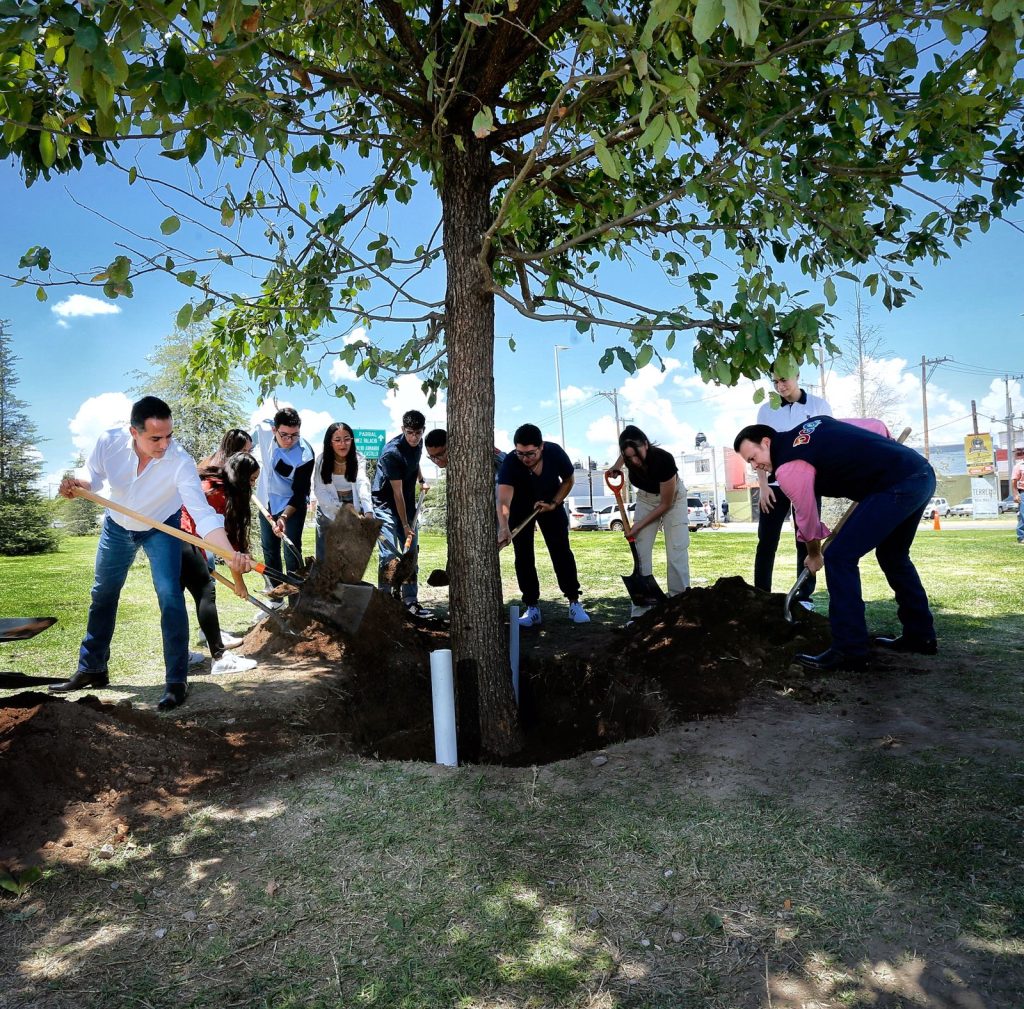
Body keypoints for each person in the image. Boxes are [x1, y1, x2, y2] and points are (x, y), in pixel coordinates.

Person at [51, 396, 252, 710]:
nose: (164, 444)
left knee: (170, 596)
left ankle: (176, 681)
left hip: (162, 525)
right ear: (134, 432)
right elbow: (95, 476)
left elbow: (203, 515)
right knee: (103, 592)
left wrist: (229, 554)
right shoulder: (109, 441)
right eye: (155, 438)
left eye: (169, 436)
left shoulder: (179, 461)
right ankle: (92, 668)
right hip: (117, 526)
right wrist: (80, 483)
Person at [734, 416, 937, 671]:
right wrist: (885, 448)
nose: (756, 467)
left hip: (897, 485)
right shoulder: (813, 425)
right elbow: (875, 426)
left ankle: (850, 649)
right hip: (919, 473)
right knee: (893, 555)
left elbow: (807, 519)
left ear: (766, 442)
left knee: (839, 556)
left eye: (753, 458)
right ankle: (920, 636)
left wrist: (814, 554)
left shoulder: (789, 467)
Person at [753, 363, 832, 608]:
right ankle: (761, 594)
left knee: (806, 540)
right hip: (775, 485)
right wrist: (763, 486)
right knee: (767, 540)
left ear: (798, 376)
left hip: (808, 484)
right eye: (775, 381)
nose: (780, 386)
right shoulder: (766, 410)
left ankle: (804, 596)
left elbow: (828, 442)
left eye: (784, 379)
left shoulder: (818, 405)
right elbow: (759, 450)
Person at [497, 423, 590, 626]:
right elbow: (503, 500)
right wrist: (504, 527)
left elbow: (568, 480)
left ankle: (574, 602)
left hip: (550, 504)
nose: (525, 458)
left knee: (561, 552)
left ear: (541, 447)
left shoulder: (555, 452)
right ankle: (532, 608)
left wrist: (555, 503)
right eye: (520, 453)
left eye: (530, 453)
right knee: (523, 556)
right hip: (521, 509)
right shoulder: (512, 462)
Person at [179, 452, 260, 676]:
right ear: (242, 478)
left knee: (175, 598)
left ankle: (179, 656)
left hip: (170, 538)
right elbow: (229, 549)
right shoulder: (220, 496)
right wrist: (239, 584)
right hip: (185, 538)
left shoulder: (212, 482)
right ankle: (220, 658)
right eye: (252, 479)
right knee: (205, 592)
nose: (253, 485)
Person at [606, 425, 690, 620]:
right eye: (628, 458)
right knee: (641, 552)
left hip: (673, 499)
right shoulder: (628, 456)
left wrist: (638, 525)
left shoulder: (663, 460)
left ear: (646, 444)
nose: (634, 461)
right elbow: (626, 452)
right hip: (645, 499)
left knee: (676, 550)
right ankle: (641, 613)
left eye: (637, 455)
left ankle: (679, 604)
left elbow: (665, 504)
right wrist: (617, 465)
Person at [371, 410, 430, 616]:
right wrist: (405, 526)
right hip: (385, 504)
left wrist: (422, 479)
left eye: (418, 433)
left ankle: (410, 600)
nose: (414, 437)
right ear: (402, 429)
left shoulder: (419, 443)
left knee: (410, 551)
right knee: (389, 553)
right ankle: (385, 600)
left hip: (407, 500)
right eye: (409, 433)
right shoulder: (392, 454)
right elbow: (397, 495)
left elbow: (415, 462)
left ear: (423, 430)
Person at [251, 407, 315, 585]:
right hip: (266, 502)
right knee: (270, 551)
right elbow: (245, 446)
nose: (289, 440)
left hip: (291, 505)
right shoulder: (262, 432)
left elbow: (300, 492)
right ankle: (275, 600)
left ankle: (295, 603)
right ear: (274, 430)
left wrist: (285, 517)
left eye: (295, 435)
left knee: (291, 552)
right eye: (284, 435)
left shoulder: (305, 454)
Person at [313, 421, 373, 562]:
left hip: (352, 503)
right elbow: (320, 490)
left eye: (347, 439)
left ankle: (348, 583)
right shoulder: (321, 461)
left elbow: (362, 483)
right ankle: (324, 582)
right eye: (338, 440)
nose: (343, 444)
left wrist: (368, 511)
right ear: (330, 442)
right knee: (325, 553)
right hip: (328, 506)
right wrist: (343, 511)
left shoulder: (358, 458)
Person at [1012, 447, 1024, 544]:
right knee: (1023, 515)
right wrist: (1016, 494)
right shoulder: (1019, 466)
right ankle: (1021, 536)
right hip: (1023, 492)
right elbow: (1014, 481)